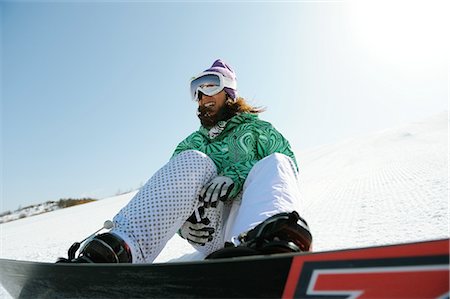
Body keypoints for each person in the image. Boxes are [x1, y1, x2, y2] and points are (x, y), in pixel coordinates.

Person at [58, 59, 312, 264]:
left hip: (250, 219)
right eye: (197, 92)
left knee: (275, 161)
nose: (203, 96)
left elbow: (287, 170)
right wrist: (182, 229)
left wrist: (237, 176)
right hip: (211, 229)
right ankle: (122, 248)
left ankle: (271, 244)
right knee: (192, 160)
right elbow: (170, 193)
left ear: (230, 91)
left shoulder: (260, 131)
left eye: (211, 86)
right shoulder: (193, 143)